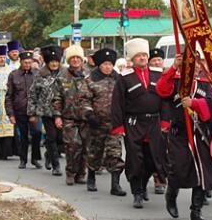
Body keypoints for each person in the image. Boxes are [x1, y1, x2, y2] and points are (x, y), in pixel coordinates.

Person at [156, 53, 212, 220]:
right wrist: (173, 67)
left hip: (200, 133)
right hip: (180, 134)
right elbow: (161, 90)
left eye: (198, 63)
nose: (196, 66)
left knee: (202, 171)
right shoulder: (175, 82)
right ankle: (171, 195)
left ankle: (196, 210)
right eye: (191, 63)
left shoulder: (205, 84)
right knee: (179, 169)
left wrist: (195, 104)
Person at [111, 38, 166, 209]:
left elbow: (165, 99)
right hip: (133, 123)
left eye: (144, 55)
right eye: (138, 56)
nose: (142, 58)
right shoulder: (124, 78)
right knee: (135, 159)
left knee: (152, 159)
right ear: (132, 59)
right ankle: (137, 192)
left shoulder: (158, 75)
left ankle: (143, 183)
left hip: (154, 123)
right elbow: (117, 103)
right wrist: (118, 126)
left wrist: (165, 120)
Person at [85, 48, 126, 195]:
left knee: (115, 153)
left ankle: (115, 185)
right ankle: (91, 177)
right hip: (97, 123)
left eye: (110, 64)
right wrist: (89, 114)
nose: (107, 67)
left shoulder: (119, 79)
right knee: (95, 152)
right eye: (104, 64)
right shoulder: (91, 80)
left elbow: (126, 99)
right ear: (99, 65)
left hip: (115, 123)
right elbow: (84, 99)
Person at [52, 45, 93, 185]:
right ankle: (70, 172)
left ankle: (81, 173)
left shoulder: (90, 75)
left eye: (78, 58)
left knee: (85, 147)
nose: (75, 60)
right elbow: (57, 97)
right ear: (68, 60)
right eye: (72, 58)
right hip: (69, 117)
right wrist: (57, 116)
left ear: (82, 59)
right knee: (73, 145)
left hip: (86, 118)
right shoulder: (62, 76)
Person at [28, 45, 64, 176]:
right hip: (46, 111)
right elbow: (33, 94)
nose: (54, 64)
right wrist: (32, 113)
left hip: (63, 112)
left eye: (56, 61)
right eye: (51, 61)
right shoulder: (40, 74)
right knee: (52, 137)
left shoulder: (65, 73)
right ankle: (56, 165)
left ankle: (49, 154)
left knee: (62, 139)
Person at [6, 51, 42, 169]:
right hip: (20, 110)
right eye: (25, 62)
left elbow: (41, 93)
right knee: (23, 136)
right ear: (20, 62)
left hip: (34, 110)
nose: (27, 65)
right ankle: (23, 159)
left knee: (37, 133)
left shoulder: (37, 74)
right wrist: (10, 114)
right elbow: (9, 96)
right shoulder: (14, 75)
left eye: (30, 62)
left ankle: (35, 158)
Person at [148, 47, 168, 195]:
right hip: (152, 119)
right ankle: (158, 179)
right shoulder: (146, 76)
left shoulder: (169, 74)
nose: (156, 62)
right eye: (153, 60)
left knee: (169, 153)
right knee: (155, 151)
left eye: (158, 60)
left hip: (168, 119)